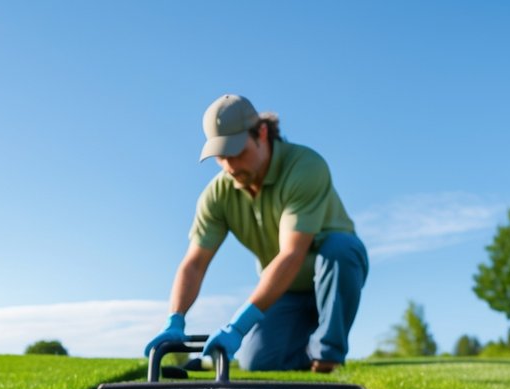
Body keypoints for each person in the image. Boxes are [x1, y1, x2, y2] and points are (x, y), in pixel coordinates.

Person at [144, 94, 368, 372]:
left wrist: (237, 326)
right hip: (284, 291)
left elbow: (292, 254)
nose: (231, 166)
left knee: (340, 248)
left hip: (334, 274)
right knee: (257, 361)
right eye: (222, 157)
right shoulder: (217, 195)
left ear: (261, 132)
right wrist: (175, 319)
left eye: (238, 152)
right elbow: (195, 263)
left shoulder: (305, 167)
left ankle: (327, 356)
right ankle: (304, 354)